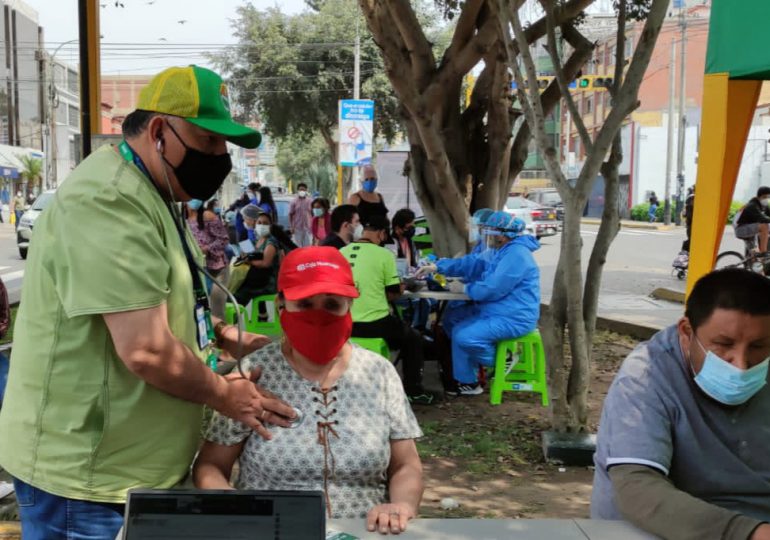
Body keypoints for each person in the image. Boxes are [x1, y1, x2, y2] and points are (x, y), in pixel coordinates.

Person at [0, 65, 298, 539]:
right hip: (90, 482)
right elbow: (146, 349)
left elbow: (172, 305)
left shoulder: (158, 196)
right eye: (208, 142)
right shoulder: (108, 200)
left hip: (137, 470)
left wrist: (230, 338)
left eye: (226, 147)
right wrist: (226, 396)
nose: (220, 158)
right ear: (160, 131)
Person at [194, 247, 424, 533]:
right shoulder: (252, 373)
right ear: (281, 305)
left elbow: (406, 466)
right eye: (304, 304)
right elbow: (210, 466)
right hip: (273, 530)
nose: (318, 317)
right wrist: (237, 509)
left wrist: (401, 505)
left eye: (332, 304)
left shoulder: (379, 373)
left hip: (364, 533)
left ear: (349, 306)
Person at [591, 268, 770, 540]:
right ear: (687, 332)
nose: (741, 363)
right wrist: (750, 533)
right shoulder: (647, 375)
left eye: (759, 346)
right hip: (663, 531)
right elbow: (637, 489)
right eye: (723, 344)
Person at [418, 211, 540, 396]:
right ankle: (469, 382)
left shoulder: (517, 255)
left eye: (488, 232)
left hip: (514, 317)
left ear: (501, 235)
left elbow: (493, 288)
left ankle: (502, 361)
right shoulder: (501, 250)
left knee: (465, 336)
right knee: (455, 326)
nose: (484, 236)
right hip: (498, 311)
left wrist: (465, 289)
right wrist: (439, 266)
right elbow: (471, 262)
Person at [341, 215, 435, 405]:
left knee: (402, 331)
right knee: (413, 338)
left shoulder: (341, 252)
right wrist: (402, 286)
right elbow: (393, 293)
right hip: (375, 324)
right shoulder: (384, 255)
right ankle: (414, 391)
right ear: (382, 233)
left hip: (344, 324)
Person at [186, 198, 230, 320]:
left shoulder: (207, 216)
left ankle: (221, 336)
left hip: (217, 269)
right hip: (197, 269)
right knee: (200, 311)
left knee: (216, 310)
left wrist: (207, 248)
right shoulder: (183, 219)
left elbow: (224, 239)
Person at [233, 208, 282, 307]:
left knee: (238, 294)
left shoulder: (271, 242)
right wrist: (245, 255)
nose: (262, 225)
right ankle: (260, 316)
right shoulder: (258, 240)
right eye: (259, 222)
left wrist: (249, 261)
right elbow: (250, 254)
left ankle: (237, 317)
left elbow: (265, 263)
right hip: (257, 279)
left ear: (270, 226)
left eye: (265, 223)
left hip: (267, 283)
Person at [734, 186, 770, 253]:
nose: (766, 199)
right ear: (758, 197)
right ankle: (763, 252)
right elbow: (762, 219)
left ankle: (751, 261)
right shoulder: (752, 205)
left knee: (753, 253)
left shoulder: (764, 205)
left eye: (768, 197)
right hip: (741, 229)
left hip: (749, 228)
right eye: (764, 197)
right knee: (765, 226)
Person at [289, 182, 313, 247]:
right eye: (300, 190)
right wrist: (291, 227)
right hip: (297, 228)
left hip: (308, 229)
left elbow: (312, 214)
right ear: (298, 190)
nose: (302, 191)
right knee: (298, 247)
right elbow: (290, 214)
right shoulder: (293, 201)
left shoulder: (310, 201)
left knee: (307, 247)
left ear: (306, 191)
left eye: (303, 190)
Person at [682, 186, 695, 253]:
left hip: (690, 224)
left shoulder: (689, 198)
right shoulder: (693, 197)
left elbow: (684, 214)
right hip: (692, 224)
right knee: (692, 241)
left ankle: (685, 254)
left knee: (691, 240)